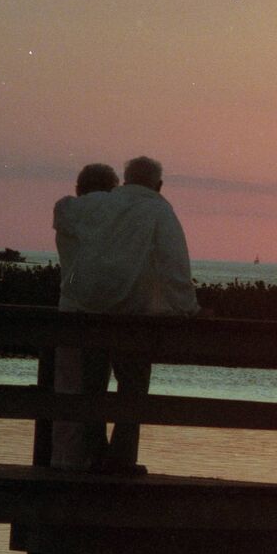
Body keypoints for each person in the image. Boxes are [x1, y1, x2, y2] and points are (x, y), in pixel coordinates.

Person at [52, 156, 203, 474]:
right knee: (133, 387)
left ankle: (94, 455)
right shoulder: (159, 209)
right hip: (134, 315)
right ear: (159, 185)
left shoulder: (104, 203)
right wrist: (187, 309)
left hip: (91, 312)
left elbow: (66, 211)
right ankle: (121, 460)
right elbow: (174, 265)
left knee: (92, 387)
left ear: (124, 180)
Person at [50, 163, 119, 471]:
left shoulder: (65, 210)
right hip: (105, 313)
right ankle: (92, 458)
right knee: (96, 388)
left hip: (70, 310)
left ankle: (64, 461)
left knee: (67, 386)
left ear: (79, 188)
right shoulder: (117, 215)